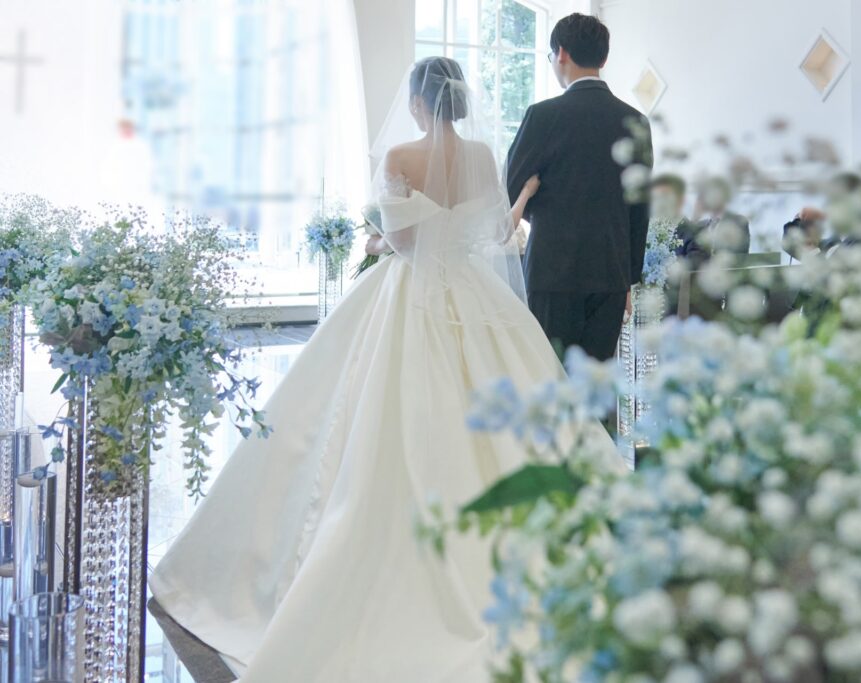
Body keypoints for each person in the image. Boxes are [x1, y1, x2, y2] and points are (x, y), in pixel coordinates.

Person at [150, 57, 618, 683]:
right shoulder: (482, 156)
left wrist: (374, 241)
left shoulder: (400, 156)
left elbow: (400, 243)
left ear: (419, 103)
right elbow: (489, 231)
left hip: (411, 294)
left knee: (357, 412)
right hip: (476, 295)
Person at [506, 13, 652, 361]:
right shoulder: (636, 121)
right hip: (610, 274)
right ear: (604, 58)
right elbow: (640, 207)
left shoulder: (542, 116)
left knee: (549, 374)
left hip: (551, 272)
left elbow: (511, 188)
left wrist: (542, 210)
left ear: (561, 53)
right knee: (595, 382)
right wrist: (628, 279)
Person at [782, 172, 861, 278]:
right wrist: (799, 220)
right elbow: (791, 244)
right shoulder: (834, 241)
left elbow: (834, 282)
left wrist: (812, 253)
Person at [678, 176, 751, 266]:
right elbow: (689, 252)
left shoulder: (738, 222)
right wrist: (696, 216)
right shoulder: (701, 225)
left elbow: (740, 257)